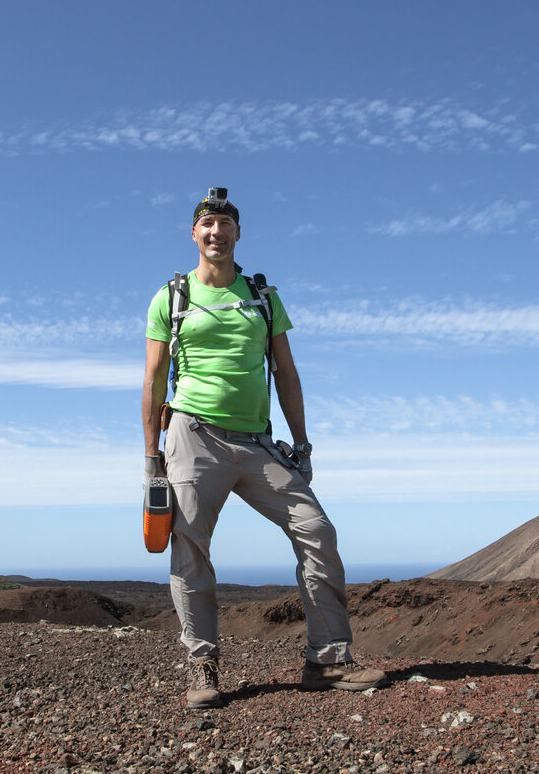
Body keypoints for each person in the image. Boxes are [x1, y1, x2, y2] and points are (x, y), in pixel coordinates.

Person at [141, 188, 386, 709]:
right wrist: (151, 459)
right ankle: (202, 666)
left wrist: (302, 443)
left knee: (315, 530)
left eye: (225, 224)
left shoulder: (263, 296)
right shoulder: (171, 297)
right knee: (190, 548)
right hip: (193, 434)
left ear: (237, 234)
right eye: (207, 224)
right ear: (194, 234)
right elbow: (154, 379)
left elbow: (287, 373)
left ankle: (327, 660)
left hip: (257, 442)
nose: (216, 232)